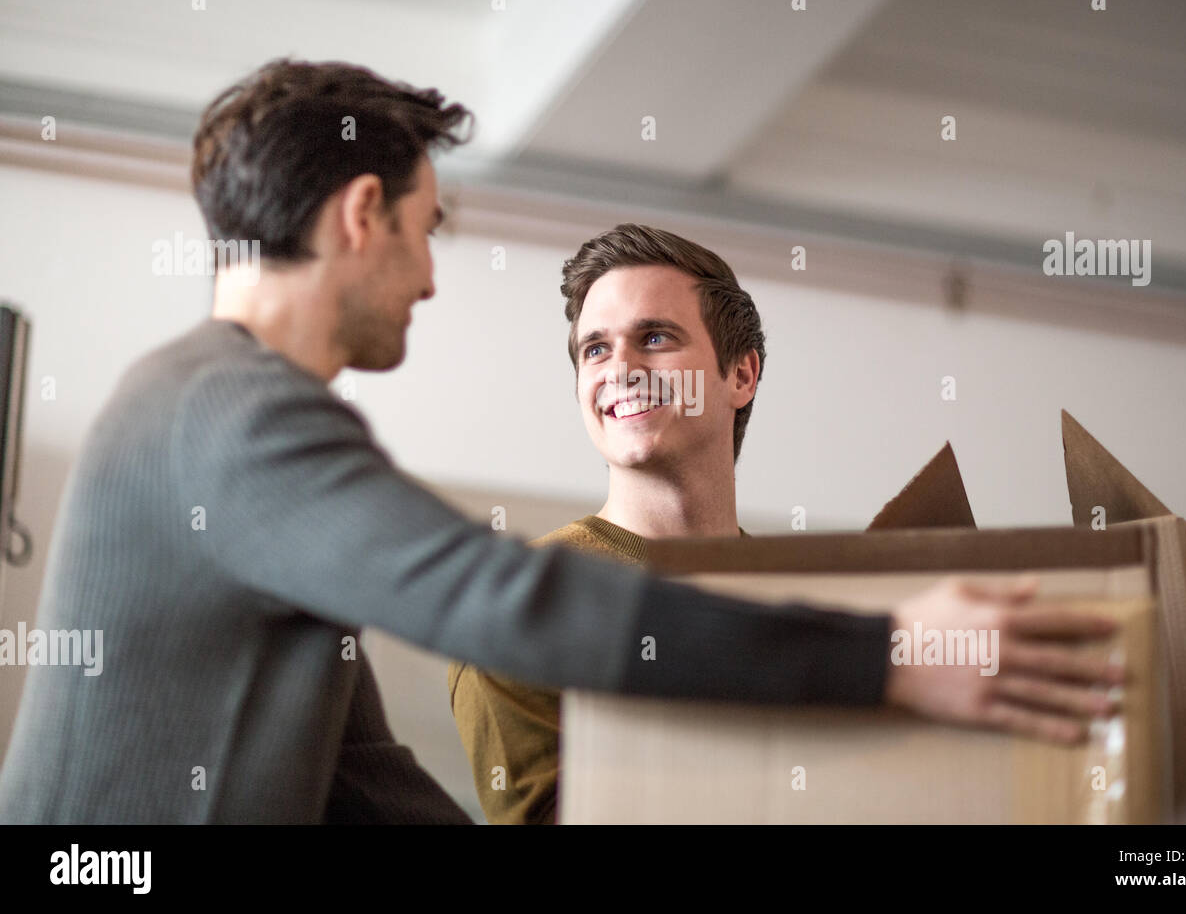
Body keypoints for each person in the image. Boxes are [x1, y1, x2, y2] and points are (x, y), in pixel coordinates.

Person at [0, 59, 1123, 824]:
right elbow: (506, 599)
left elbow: (366, 785)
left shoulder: (210, 408)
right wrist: (890, 657)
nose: (431, 278)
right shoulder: (229, 408)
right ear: (358, 216)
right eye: (423, 231)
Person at [449, 223, 1123, 823]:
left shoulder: (826, 610)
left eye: (654, 338)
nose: (620, 369)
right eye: (595, 350)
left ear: (740, 376)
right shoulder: (523, 605)